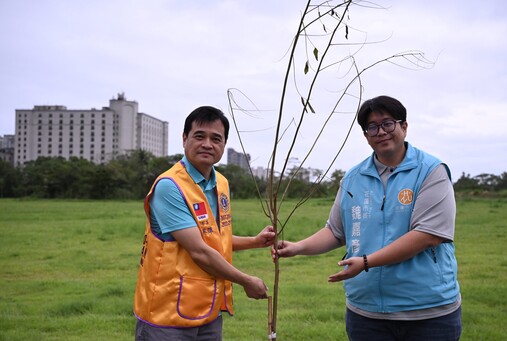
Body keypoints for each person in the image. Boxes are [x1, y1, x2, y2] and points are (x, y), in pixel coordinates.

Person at [274, 95, 462, 341]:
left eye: (388, 123)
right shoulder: (353, 178)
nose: (381, 132)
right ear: (365, 135)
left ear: (404, 127)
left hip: (427, 313)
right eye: (372, 127)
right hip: (366, 313)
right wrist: (297, 247)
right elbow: (336, 231)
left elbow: (427, 235)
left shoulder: (431, 171)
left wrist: (365, 262)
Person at [134, 106, 275, 340]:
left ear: (224, 144)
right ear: (184, 138)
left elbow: (213, 238)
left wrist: (254, 241)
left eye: (215, 138)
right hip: (166, 314)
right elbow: (199, 251)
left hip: (207, 310)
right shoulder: (170, 186)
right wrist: (246, 281)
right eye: (200, 136)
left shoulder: (221, 183)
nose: (208, 144)